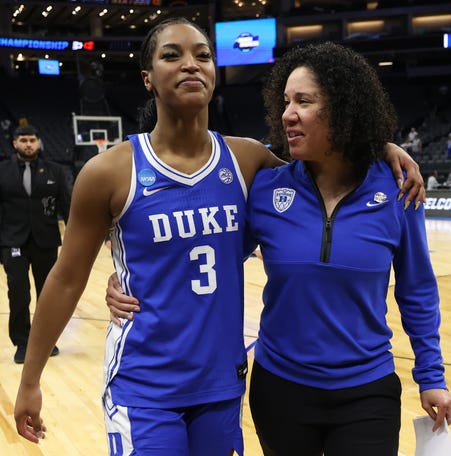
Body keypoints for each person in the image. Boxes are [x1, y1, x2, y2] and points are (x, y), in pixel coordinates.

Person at [14, 18, 423, 455]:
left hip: (221, 386)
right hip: (146, 383)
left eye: (203, 55)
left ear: (214, 72)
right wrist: (31, 380)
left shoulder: (248, 161)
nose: (191, 64)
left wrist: (382, 148)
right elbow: (66, 278)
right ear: (147, 78)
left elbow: (328, 159)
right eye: (172, 54)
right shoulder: (110, 171)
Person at [106, 41, 451, 456]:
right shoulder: (269, 188)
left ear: (344, 110)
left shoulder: (396, 188)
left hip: (367, 389)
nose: (287, 113)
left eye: (303, 101)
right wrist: (129, 277)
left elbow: (416, 289)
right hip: (281, 388)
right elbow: (207, 252)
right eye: (285, 101)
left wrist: (431, 375)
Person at [0, 124, 71, 364]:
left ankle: (46, 341)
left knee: (48, 295)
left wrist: (75, 242)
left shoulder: (56, 171)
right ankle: (23, 342)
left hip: (46, 241)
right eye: (23, 140)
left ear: (39, 142)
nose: (28, 144)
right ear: (15, 144)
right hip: (13, 242)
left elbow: (68, 207)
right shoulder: (2, 171)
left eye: (32, 140)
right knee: (18, 293)